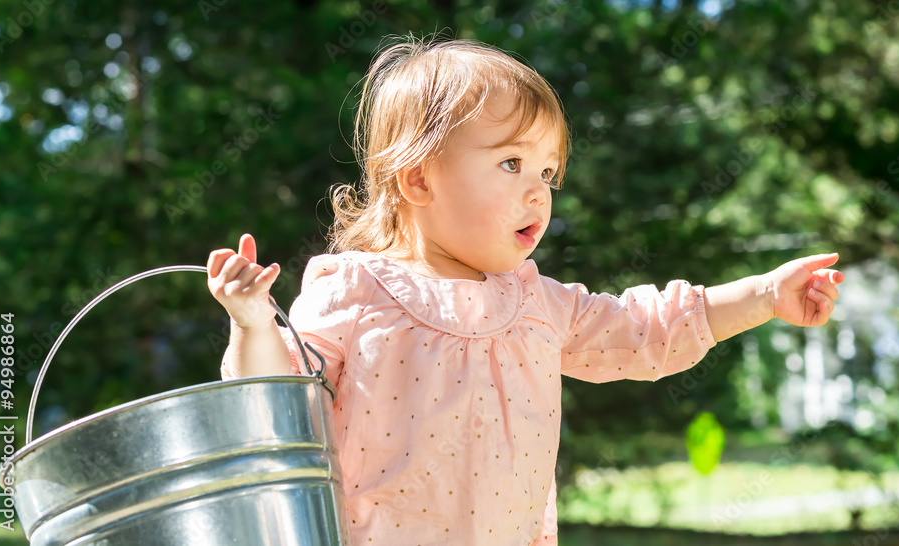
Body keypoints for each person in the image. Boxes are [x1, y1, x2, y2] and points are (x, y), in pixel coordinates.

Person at [206, 36, 844, 546]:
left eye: (547, 172)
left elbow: (645, 329)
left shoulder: (536, 304)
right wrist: (251, 323)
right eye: (511, 164)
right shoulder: (354, 291)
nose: (537, 190)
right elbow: (274, 408)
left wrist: (762, 294)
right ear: (418, 178)